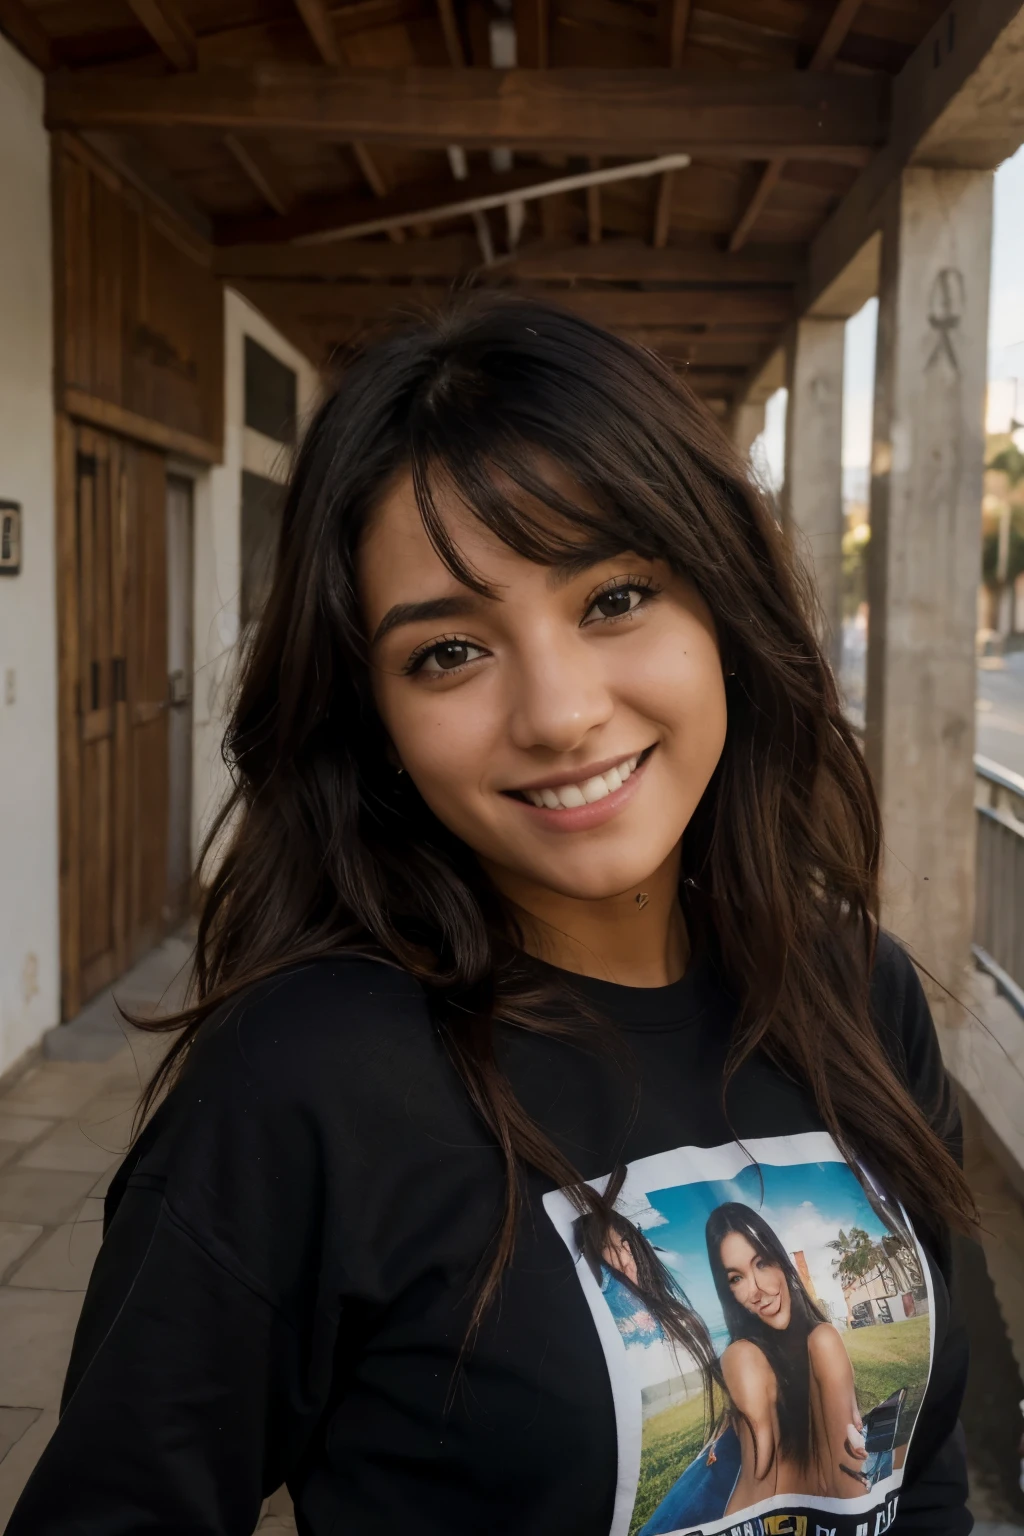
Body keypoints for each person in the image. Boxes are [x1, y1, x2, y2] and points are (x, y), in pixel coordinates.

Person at [7, 294, 974, 1535]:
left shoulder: (857, 994)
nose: (559, 711)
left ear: (723, 612)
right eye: (448, 652)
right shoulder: (304, 1088)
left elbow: (926, 1468)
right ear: (376, 725)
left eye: (615, 597)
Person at [705, 1202, 871, 1510]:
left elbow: (848, 1480)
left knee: (823, 1339)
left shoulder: (821, 1342)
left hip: (830, 1509)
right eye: (736, 1278)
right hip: (767, 1519)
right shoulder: (742, 1357)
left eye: (762, 1263)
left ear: (781, 1262)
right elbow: (758, 1479)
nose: (756, 1290)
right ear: (728, 1291)